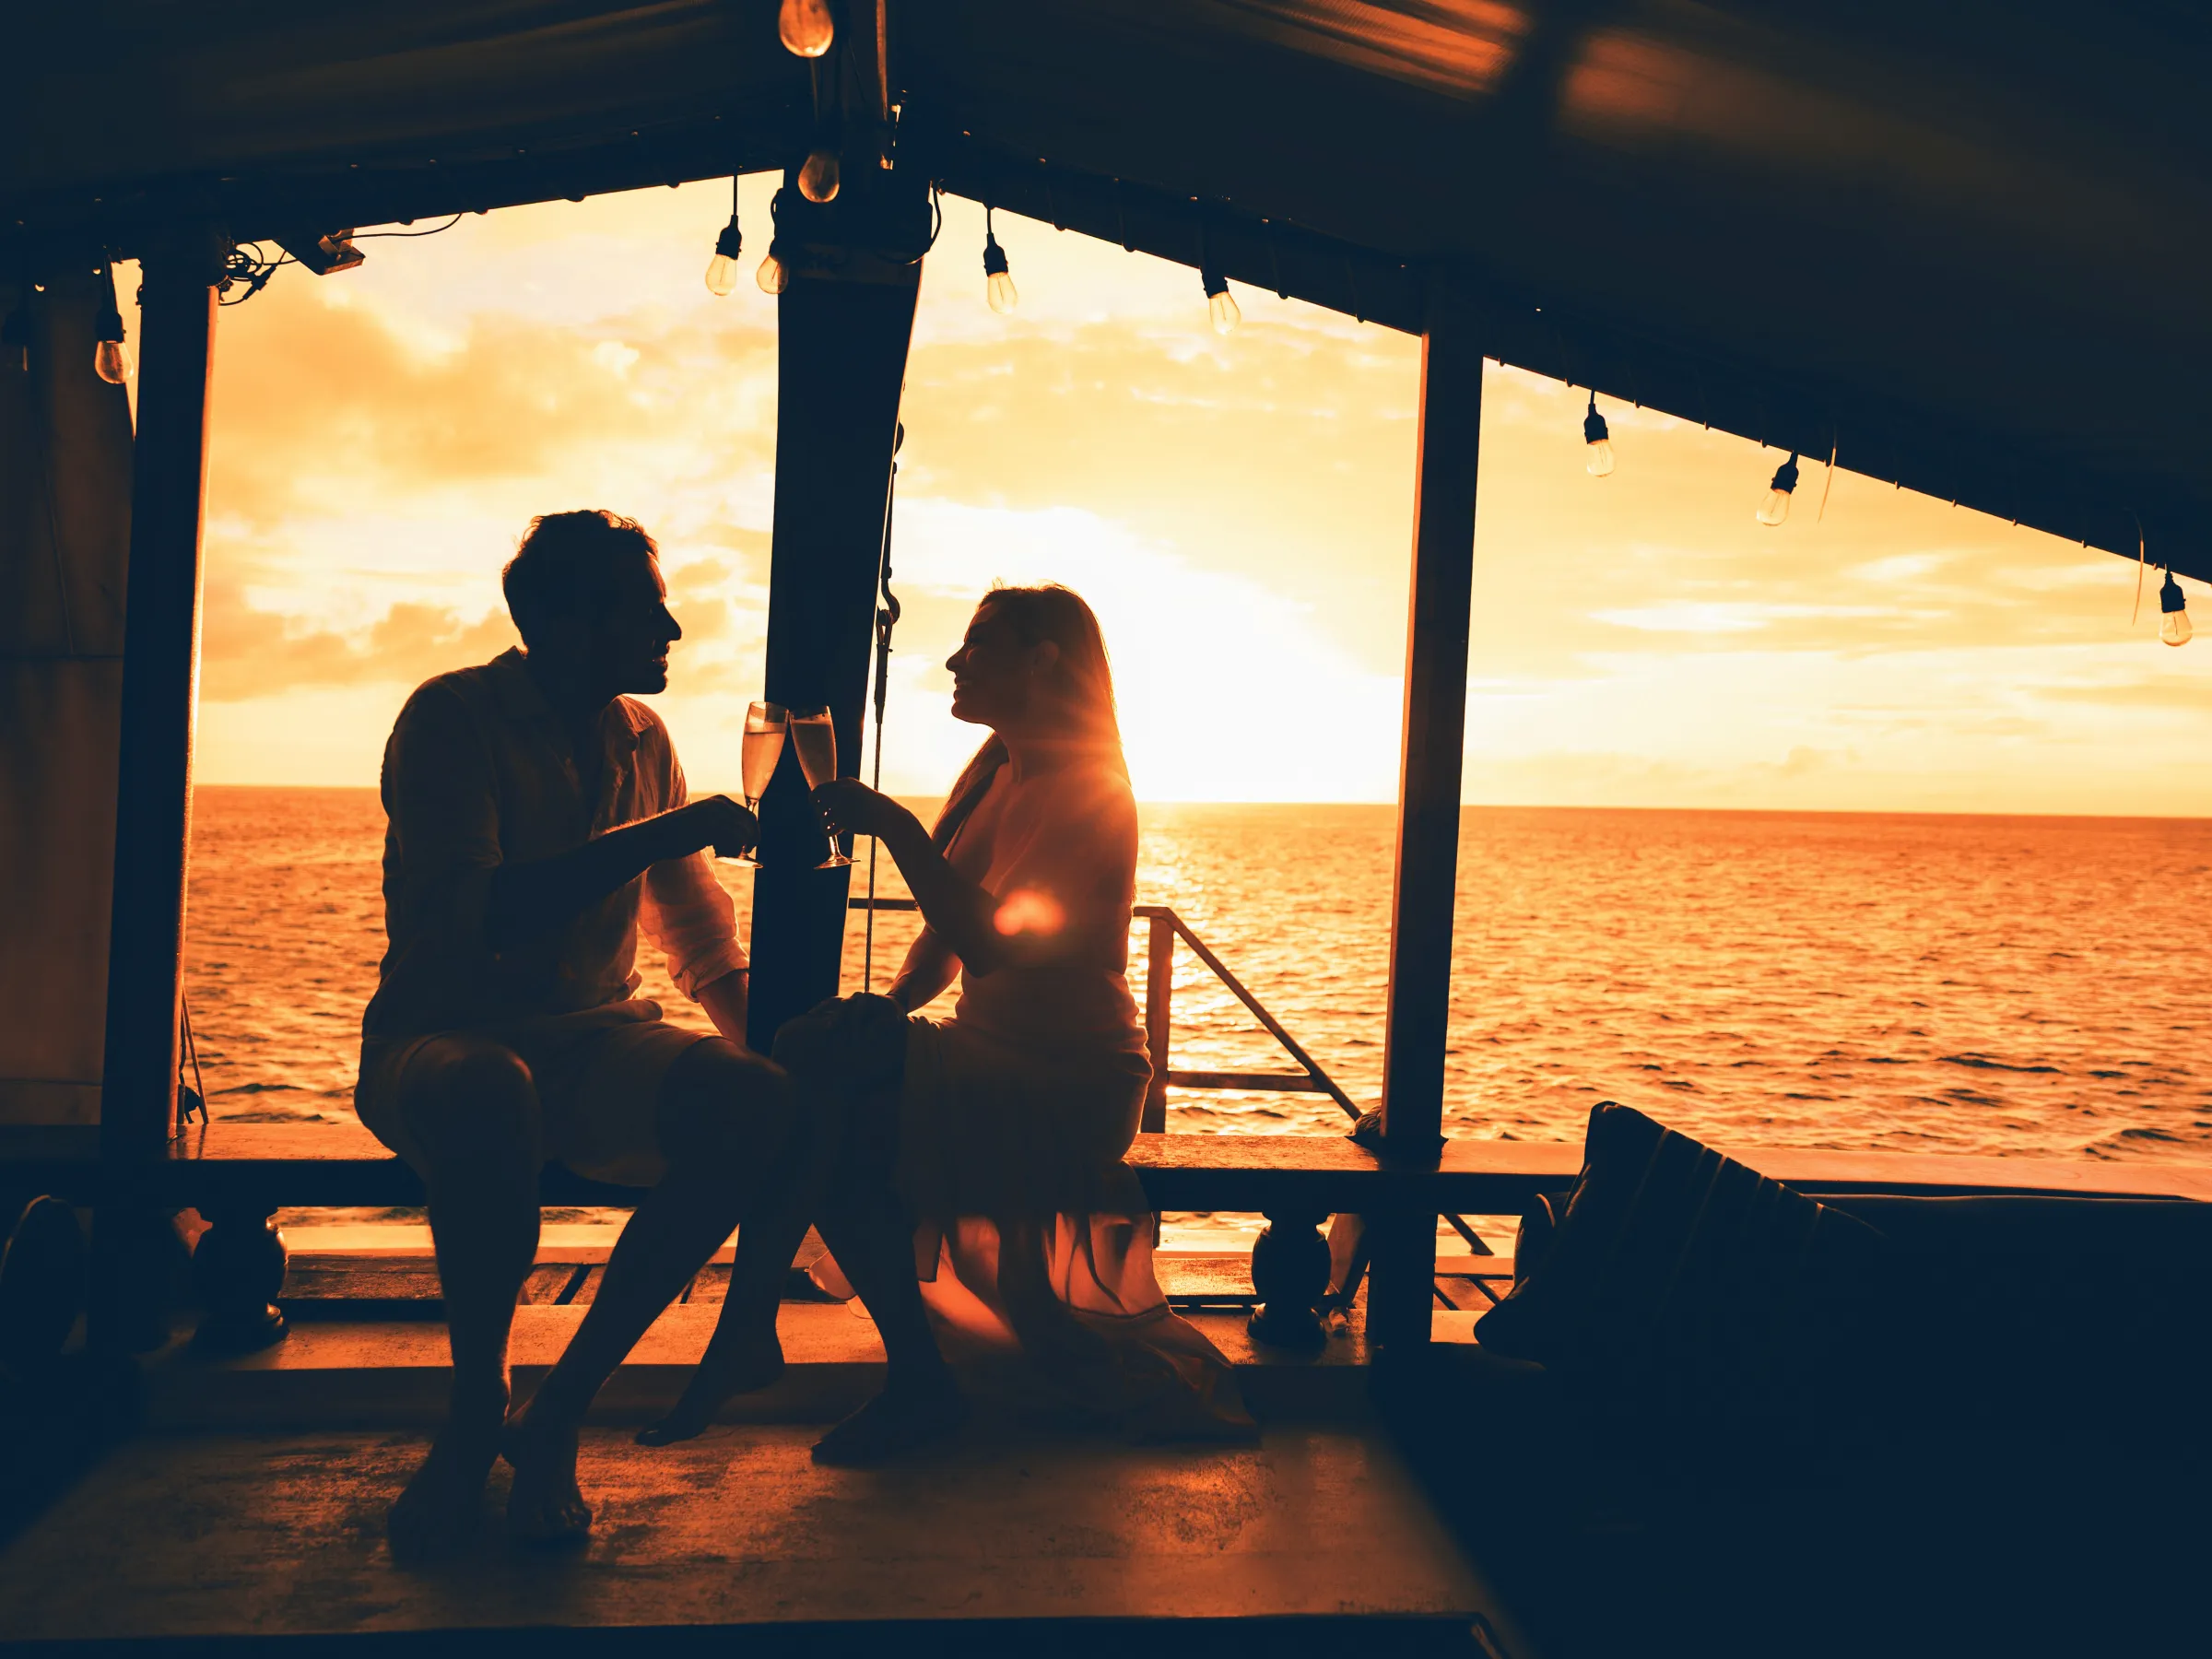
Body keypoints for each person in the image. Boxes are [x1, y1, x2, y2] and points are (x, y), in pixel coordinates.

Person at [641, 583, 1253, 1463]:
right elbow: (942, 949)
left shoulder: (1092, 789)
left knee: (814, 1072)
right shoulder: (1000, 771)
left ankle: (761, 1335)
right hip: (991, 1051)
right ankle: (887, 1374)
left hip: (1070, 1073)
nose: (955, 663)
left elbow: (1000, 946)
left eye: (978, 645)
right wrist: (882, 1013)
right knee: (829, 1097)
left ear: (1041, 660)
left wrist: (894, 828)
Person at [358, 510, 799, 1554]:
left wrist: (776, 1073)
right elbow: (481, 915)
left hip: (593, 1038)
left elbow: (693, 934)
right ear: (558, 621)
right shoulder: (450, 719)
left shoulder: (643, 740)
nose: (674, 629)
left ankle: (553, 1415)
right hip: (441, 1034)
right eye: (646, 608)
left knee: (758, 1102)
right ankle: (476, 1409)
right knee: (488, 1088)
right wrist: (677, 827)